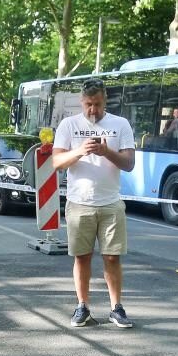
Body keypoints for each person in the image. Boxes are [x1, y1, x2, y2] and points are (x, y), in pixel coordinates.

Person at [51, 78, 136, 328]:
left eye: (97, 104)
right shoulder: (69, 125)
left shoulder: (120, 124)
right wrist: (79, 151)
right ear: (81, 101)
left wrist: (106, 151)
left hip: (111, 203)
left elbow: (129, 164)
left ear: (105, 100)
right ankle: (82, 306)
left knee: (112, 258)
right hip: (79, 203)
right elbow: (56, 163)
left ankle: (116, 308)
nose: (92, 110)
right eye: (88, 104)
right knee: (82, 257)